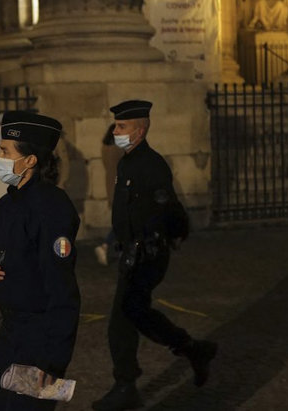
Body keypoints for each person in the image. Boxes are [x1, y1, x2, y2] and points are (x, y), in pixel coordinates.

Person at [92, 101, 217, 411]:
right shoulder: (126, 162)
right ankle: (191, 348)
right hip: (130, 253)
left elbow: (169, 207)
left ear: (140, 129)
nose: (116, 132)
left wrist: (167, 237)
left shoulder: (152, 164)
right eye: (116, 126)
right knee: (135, 313)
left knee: (122, 318)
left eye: (122, 127)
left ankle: (126, 386)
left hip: (148, 253)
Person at [0, 111, 81, 410]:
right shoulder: (3, 207)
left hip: (39, 339)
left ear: (30, 159)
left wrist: (52, 362)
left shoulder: (51, 208)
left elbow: (62, 289)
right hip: (10, 336)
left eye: (5, 150)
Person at [94, 124, 124, 266]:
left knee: (121, 220)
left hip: (111, 187)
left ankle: (119, 251)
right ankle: (106, 245)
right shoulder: (118, 150)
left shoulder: (105, 148)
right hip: (120, 189)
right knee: (122, 221)